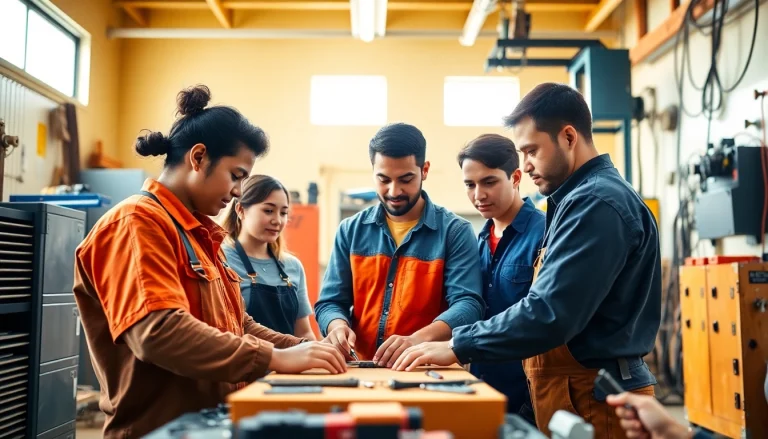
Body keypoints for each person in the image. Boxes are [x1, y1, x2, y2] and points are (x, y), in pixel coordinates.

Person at [72, 85, 345, 438]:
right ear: (198, 158)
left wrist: (303, 348)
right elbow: (158, 331)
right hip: (157, 430)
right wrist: (272, 358)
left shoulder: (201, 236)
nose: (237, 191)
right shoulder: (136, 224)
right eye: (236, 175)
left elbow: (237, 323)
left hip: (207, 425)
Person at [393, 83, 661, 437]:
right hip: (573, 394)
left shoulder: (596, 203)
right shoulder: (573, 201)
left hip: (597, 398)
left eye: (532, 150)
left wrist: (458, 345)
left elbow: (550, 312)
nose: (527, 164)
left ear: (568, 136)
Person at [314, 122, 485, 365]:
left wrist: (417, 340)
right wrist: (337, 325)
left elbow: (468, 305)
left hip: (426, 369)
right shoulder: (350, 231)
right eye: (384, 180)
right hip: (360, 368)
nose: (394, 191)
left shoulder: (454, 232)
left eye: (406, 179)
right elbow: (330, 302)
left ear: (424, 170)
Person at [457, 134, 545, 419]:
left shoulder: (547, 233)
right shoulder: (477, 242)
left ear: (516, 176)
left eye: (489, 182)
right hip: (483, 390)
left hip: (532, 398)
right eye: (470, 185)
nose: (478, 195)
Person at [220, 174, 317, 340]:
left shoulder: (292, 266)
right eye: (268, 211)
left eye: (284, 213)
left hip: (292, 365)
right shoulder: (219, 259)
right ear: (241, 210)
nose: (277, 221)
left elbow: (304, 332)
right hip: (244, 363)